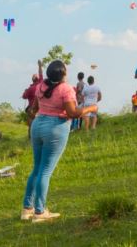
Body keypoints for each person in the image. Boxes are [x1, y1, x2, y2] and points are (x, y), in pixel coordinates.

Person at [22, 60, 97, 222]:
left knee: (37, 169)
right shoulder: (66, 89)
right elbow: (74, 112)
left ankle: (27, 209)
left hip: (38, 124)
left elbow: (34, 108)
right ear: (63, 74)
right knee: (45, 171)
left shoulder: (41, 86)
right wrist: (91, 108)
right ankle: (40, 212)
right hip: (55, 128)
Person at [22, 60, 45, 136]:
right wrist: (39, 66)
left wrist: (25, 91)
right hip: (41, 108)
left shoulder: (30, 89)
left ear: (32, 79)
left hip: (32, 108)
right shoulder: (41, 83)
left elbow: (24, 96)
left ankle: (30, 138)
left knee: (31, 124)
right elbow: (41, 73)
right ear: (38, 79)